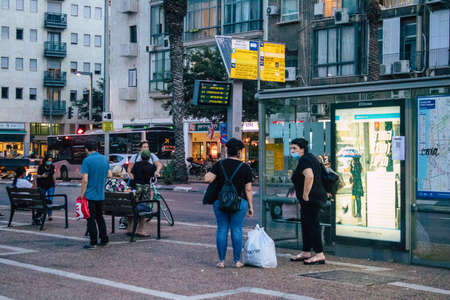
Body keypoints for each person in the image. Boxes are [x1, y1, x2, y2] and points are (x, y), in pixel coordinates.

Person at [204, 138, 254, 269]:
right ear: (239, 152)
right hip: (240, 202)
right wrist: (250, 206)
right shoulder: (245, 167)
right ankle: (237, 261)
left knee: (222, 229)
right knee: (237, 229)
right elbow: (248, 189)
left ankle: (221, 261)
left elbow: (208, 179)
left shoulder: (219, 164)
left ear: (227, 150)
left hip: (220, 201)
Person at [289, 138, 327, 265]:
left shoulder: (305, 160)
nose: (292, 151)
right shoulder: (310, 158)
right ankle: (306, 251)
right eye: (291, 148)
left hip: (311, 198)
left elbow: (309, 176)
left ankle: (319, 254)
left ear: (302, 149)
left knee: (312, 224)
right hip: (314, 197)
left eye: (295, 148)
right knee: (306, 223)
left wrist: (305, 194)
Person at [80, 141, 110, 249]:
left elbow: (85, 180)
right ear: (97, 149)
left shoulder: (86, 161)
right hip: (100, 194)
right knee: (99, 217)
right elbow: (109, 174)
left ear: (86, 150)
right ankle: (104, 239)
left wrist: (82, 194)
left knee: (91, 218)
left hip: (90, 194)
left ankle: (93, 242)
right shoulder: (104, 159)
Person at [130, 149, 156, 237]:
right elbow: (152, 176)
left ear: (141, 157)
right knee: (144, 208)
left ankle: (130, 228)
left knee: (134, 207)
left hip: (136, 187)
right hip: (146, 188)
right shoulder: (151, 166)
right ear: (149, 158)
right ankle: (140, 230)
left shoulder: (136, 165)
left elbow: (132, 174)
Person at [105, 165, 131, 230]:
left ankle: (124, 222)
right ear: (121, 173)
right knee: (132, 205)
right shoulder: (121, 182)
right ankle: (128, 226)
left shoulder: (107, 181)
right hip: (120, 208)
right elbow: (129, 192)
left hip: (107, 207)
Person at [36, 155, 56, 221]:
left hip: (50, 184)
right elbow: (37, 176)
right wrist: (42, 176)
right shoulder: (41, 167)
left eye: (51, 160)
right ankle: (41, 214)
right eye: (48, 160)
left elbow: (53, 175)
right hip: (42, 185)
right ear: (45, 160)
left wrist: (55, 183)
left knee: (50, 200)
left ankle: (50, 215)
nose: (50, 162)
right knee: (43, 199)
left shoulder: (52, 166)